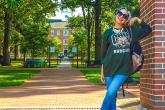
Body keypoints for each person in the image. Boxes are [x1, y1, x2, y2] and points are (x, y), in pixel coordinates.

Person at [100, 7, 152, 110]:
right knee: (112, 95)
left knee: (111, 92)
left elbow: (148, 30)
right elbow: (104, 54)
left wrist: (138, 20)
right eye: (120, 13)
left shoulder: (130, 31)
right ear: (116, 14)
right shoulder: (108, 32)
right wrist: (102, 70)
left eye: (125, 16)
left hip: (123, 69)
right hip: (109, 69)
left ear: (127, 19)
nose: (121, 17)